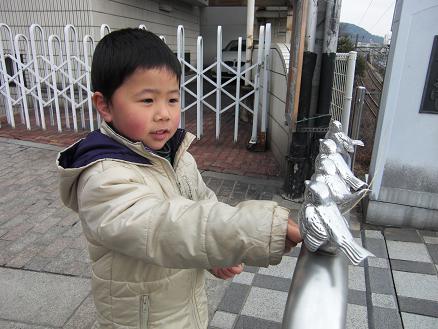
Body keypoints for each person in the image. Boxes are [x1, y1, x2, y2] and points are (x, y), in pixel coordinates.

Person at [57, 28, 302, 329]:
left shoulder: (176, 155)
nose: (164, 113)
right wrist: (255, 228)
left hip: (182, 306)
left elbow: (202, 205)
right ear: (105, 105)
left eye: (172, 99)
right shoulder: (102, 178)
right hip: (141, 320)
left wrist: (215, 253)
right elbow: (166, 227)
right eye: (147, 101)